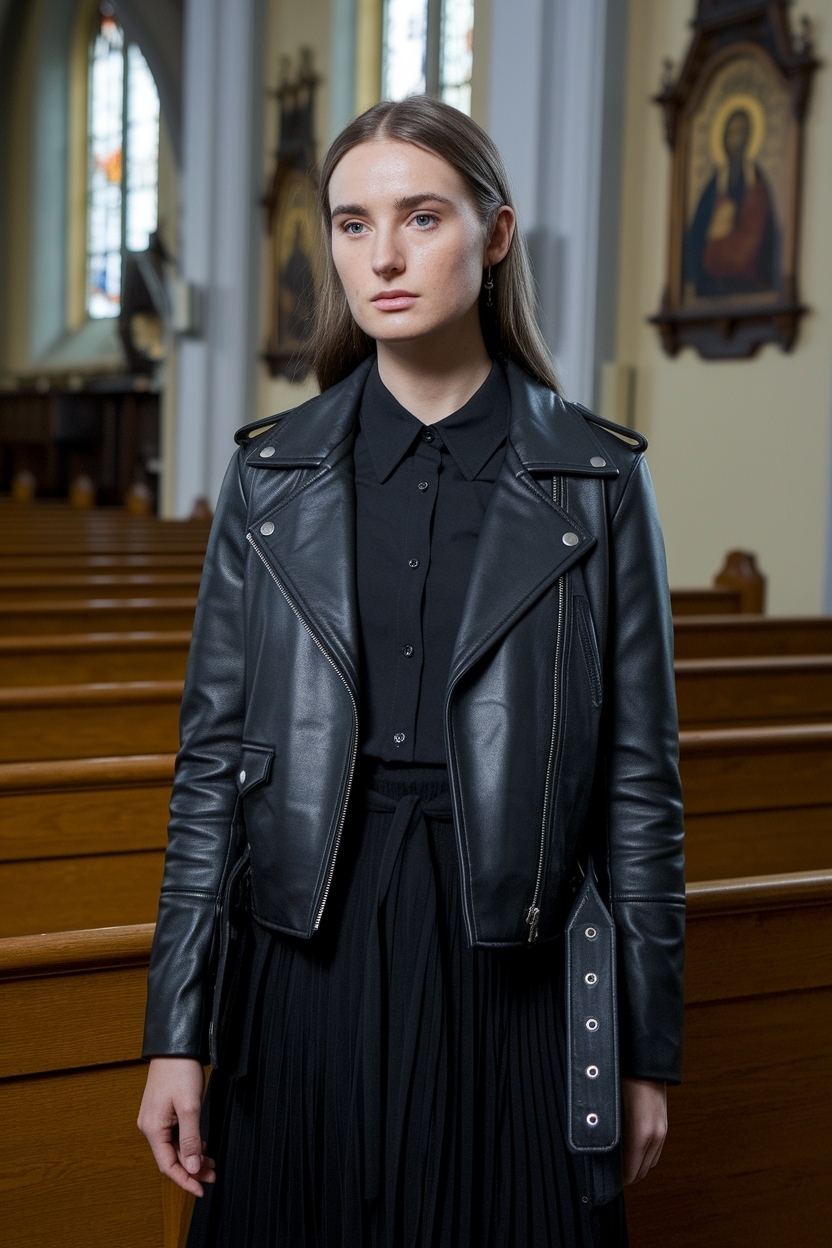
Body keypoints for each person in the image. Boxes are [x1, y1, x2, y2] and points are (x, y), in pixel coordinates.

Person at [138, 96, 685, 1248]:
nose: (379, 256)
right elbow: (209, 774)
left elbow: (639, 791)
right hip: (306, 949)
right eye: (349, 224)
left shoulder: (595, 481)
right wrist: (175, 1031)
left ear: (492, 236)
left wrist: (642, 1045)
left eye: (419, 216)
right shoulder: (269, 480)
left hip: (517, 964)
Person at [684, 106, 778, 297]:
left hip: (749, 260)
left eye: (741, 132)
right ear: (723, 138)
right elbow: (698, 230)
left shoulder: (757, 180)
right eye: (732, 133)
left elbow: (767, 227)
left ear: (749, 137)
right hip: (714, 268)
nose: (736, 139)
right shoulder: (715, 183)